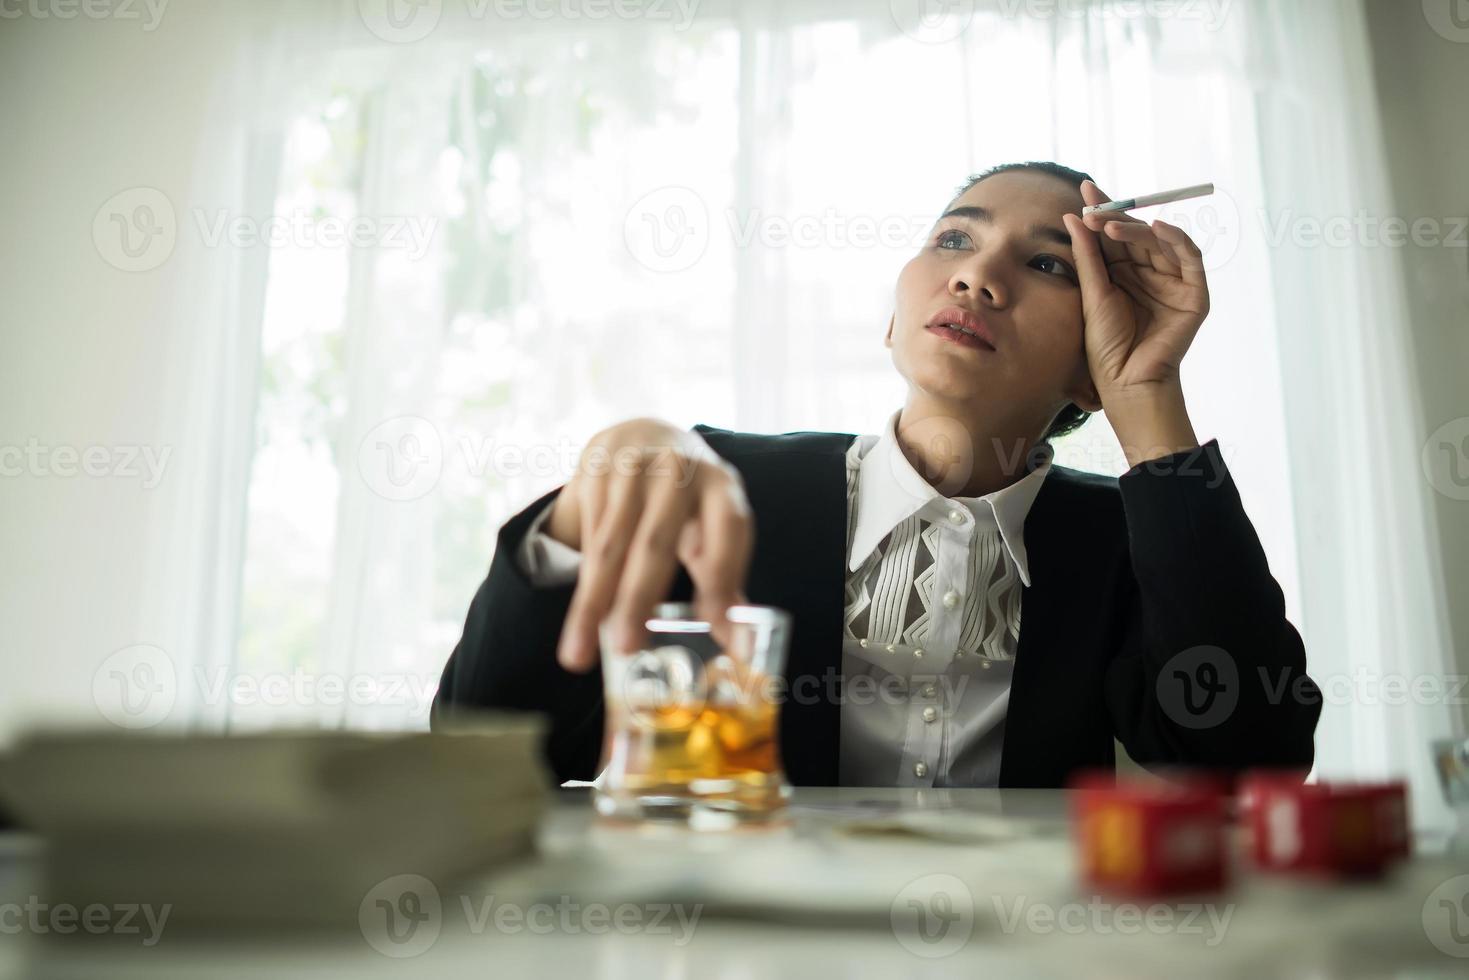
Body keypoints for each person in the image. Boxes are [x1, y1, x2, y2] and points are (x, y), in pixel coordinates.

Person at [432, 161, 1322, 788]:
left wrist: (1147, 395)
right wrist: (577, 521)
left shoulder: (1135, 545)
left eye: (1046, 263)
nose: (976, 275)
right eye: (952, 240)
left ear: (1090, 367)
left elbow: (1246, 765)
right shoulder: (709, 486)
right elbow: (488, 759)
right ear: (890, 321)